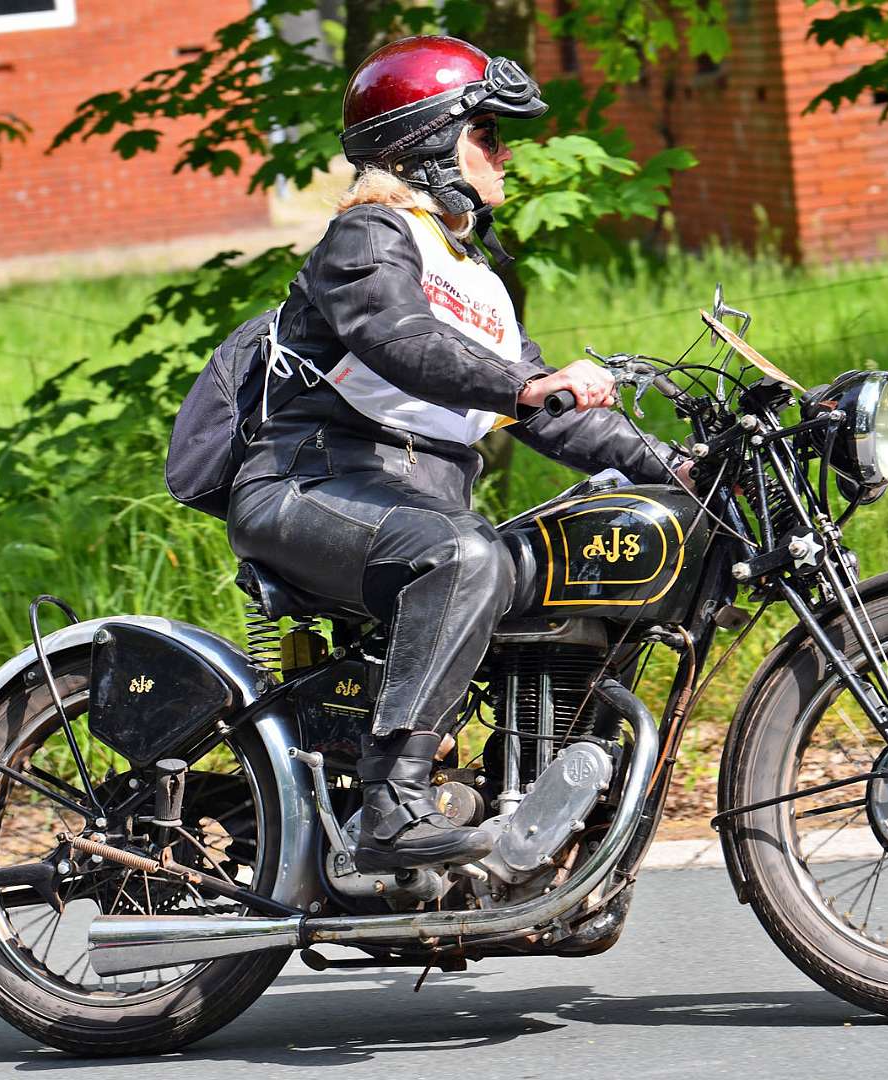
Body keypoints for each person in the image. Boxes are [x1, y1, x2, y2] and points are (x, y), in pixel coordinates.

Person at [227, 35, 687, 873]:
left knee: (560, 567)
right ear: (428, 143)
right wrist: (527, 386)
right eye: (488, 135)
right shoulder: (367, 237)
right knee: (465, 555)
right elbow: (399, 339)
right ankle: (391, 809)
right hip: (312, 483)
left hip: (408, 502)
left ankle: (520, 804)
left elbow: (551, 415)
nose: (504, 155)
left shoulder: (473, 278)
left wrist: (678, 467)